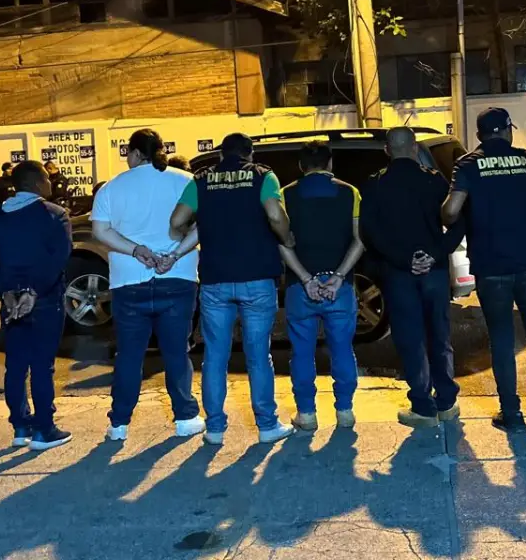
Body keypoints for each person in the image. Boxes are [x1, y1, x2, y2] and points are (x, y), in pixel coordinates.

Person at [442, 107, 526, 433]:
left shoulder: (468, 165)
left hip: (491, 267)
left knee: (501, 339)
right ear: (506, 130)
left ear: (479, 135)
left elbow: (450, 211)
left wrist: (453, 213)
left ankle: (512, 414)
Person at [170, 133, 296, 446]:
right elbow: (276, 214)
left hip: (215, 280)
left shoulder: (201, 179)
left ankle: (214, 429)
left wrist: (200, 231)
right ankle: (267, 425)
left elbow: (176, 221)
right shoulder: (262, 175)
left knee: (215, 356)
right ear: (249, 153)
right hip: (257, 278)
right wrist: (286, 238)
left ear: (220, 155)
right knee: (258, 356)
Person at [91, 129, 204, 442]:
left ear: (134, 153)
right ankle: (185, 418)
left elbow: (101, 231)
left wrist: (136, 250)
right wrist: (175, 253)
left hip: (128, 281)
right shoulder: (187, 182)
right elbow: (205, 225)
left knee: (129, 355)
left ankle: (119, 424)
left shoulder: (112, 188)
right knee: (176, 352)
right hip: (178, 278)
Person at [360, 127, 464, 428]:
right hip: (434, 271)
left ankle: (422, 405)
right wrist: (436, 253)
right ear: (414, 147)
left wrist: (404, 260)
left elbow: (369, 232)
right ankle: (446, 401)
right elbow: (458, 222)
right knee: (440, 335)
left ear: (386, 150)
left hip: (399, 273)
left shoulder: (375, 185)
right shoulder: (434, 181)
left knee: (410, 338)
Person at [0, 161, 73, 451]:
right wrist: (35, 291)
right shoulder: (55, 215)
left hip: (11, 303)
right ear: (35, 183)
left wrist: (4, 293)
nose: (49, 183)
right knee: (42, 366)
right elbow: (59, 259)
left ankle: (20, 426)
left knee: (16, 366)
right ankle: (45, 429)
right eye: (45, 179)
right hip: (44, 300)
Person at [278, 140, 365, 431]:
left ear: (302, 166)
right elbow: (359, 239)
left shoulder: (285, 195)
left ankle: (307, 414)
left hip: (299, 288)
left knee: (301, 352)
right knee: (342, 349)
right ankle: (345, 411)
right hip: (339, 288)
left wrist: (306, 279)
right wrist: (339, 276)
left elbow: (282, 242)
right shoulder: (349, 192)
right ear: (330, 164)